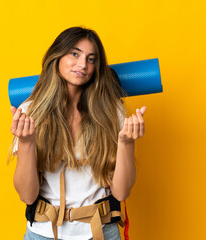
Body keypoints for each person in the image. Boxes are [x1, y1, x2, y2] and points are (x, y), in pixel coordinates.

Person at [8, 26, 146, 240]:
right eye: (75, 54)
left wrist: (126, 143)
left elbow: (121, 193)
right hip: (43, 234)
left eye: (91, 59)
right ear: (57, 56)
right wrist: (26, 143)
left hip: (100, 232)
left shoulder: (111, 112)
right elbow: (27, 195)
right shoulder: (30, 112)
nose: (83, 65)